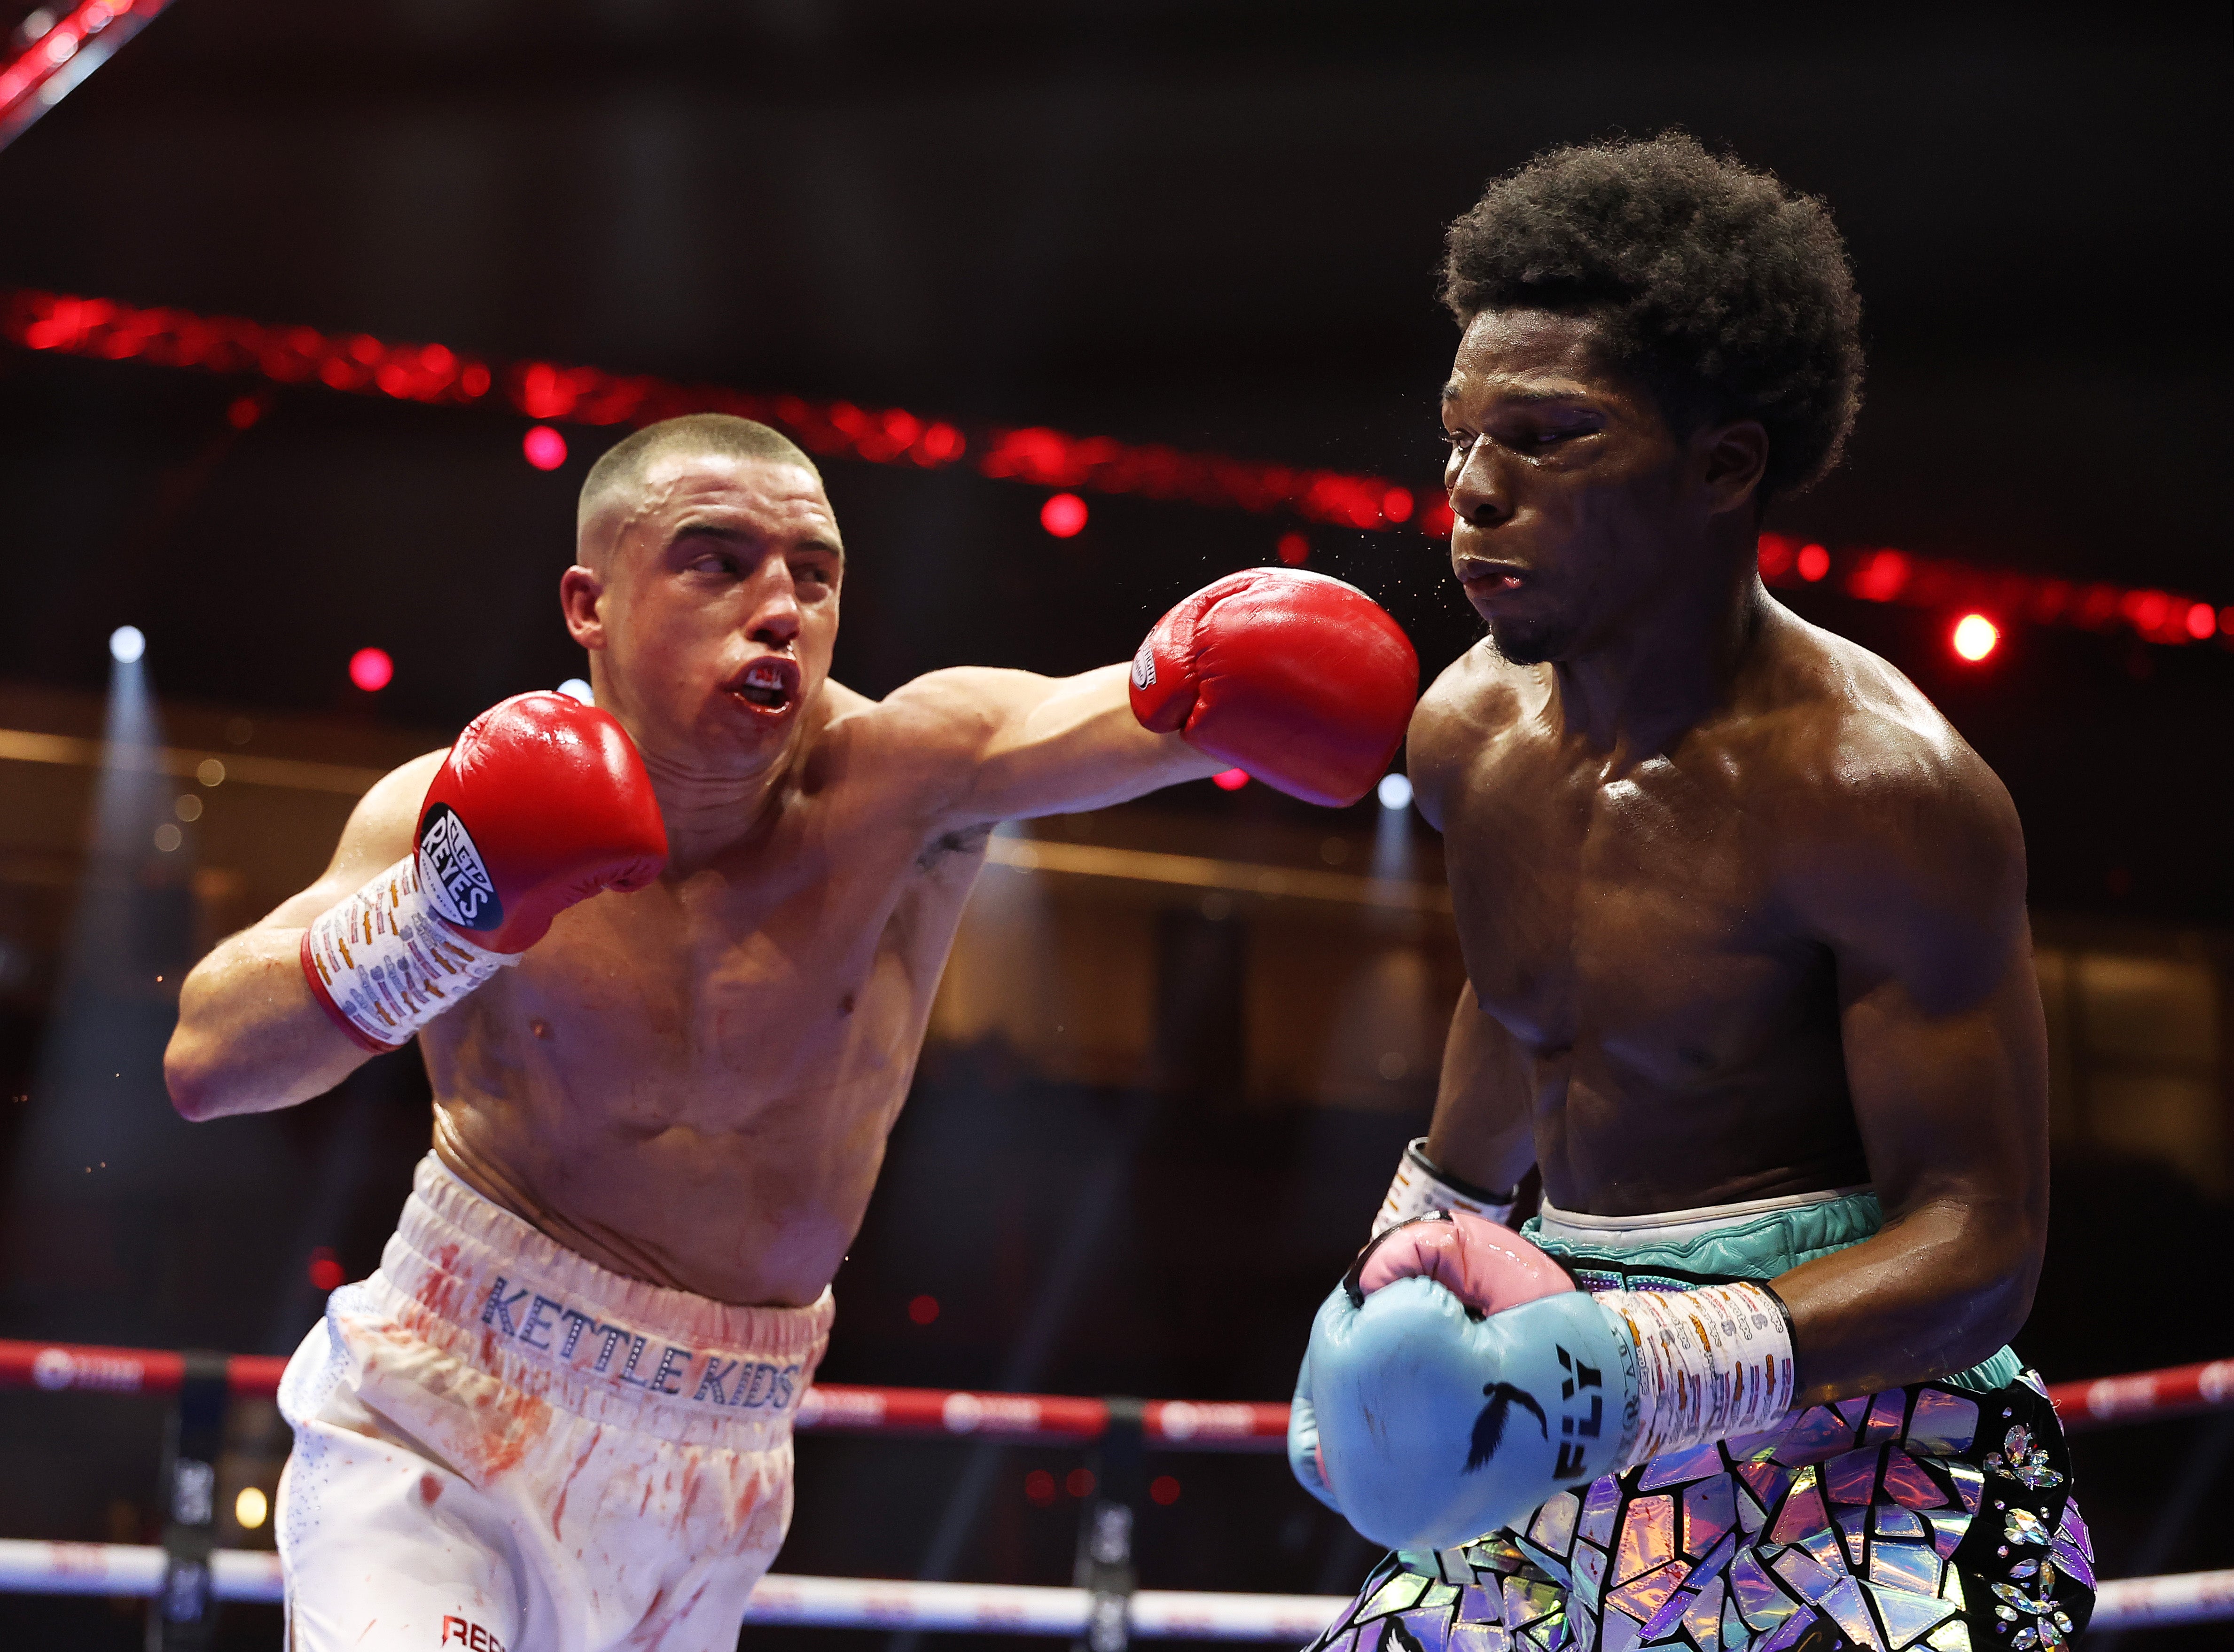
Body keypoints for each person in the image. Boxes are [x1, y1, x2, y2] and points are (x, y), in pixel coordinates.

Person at [163, 412, 1418, 1652]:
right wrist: (438, 912)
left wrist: (1218, 681)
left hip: (722, 1459)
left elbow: (1140, 710)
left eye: (812, 575)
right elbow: (207, 1062)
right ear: (587, 604)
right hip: (442, 1415)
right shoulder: (452, 803)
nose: (780, 607)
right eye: (716, 560)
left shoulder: (912, 776)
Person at [1290, 136, 2093, 1652]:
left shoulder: (1881, 791)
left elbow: (1982, 1236)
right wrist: (1389, 1264)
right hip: (1553, 1358)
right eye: (1460, 437)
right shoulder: (1468, 727)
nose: (1471, 492)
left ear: (1724, 465)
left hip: (1851, 1423)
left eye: (1547, 437)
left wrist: (1653, 1367)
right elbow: (1518, 1002)